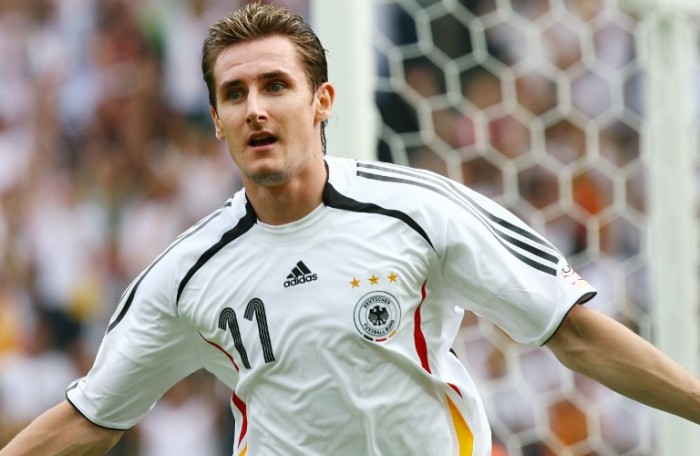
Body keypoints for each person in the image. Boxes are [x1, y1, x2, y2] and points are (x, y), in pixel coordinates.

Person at [2, 2, 699, 455]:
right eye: (235, 94)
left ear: (322, 101)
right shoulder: (187, 274)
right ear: (214, 119)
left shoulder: (419, 211)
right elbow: (90, 418)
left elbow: (570, 331)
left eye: (276, 85)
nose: (255, 110)